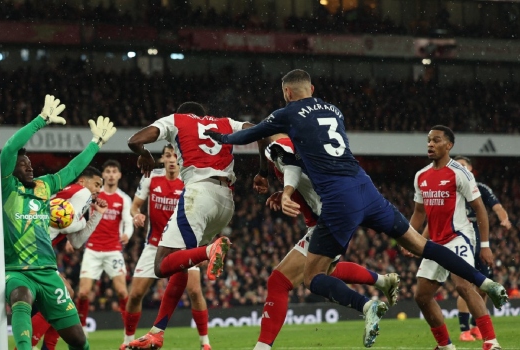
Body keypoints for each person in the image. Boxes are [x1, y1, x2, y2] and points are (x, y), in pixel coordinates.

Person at [203, 69, 508, 347]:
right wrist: (285, 189)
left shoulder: (286, 119)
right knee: (421, 245)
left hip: (338, 203)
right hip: (366, 188)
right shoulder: (334, 110)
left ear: (288, 93)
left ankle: (366, 304)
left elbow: (253, 135)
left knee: (313, 278)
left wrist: (222, 138)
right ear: (312, 88)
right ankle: (486, 282)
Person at [126, 101, 262, 350]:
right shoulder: (226, 123)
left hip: (199, 195)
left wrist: (145, 154)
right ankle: (157, 333)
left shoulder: (177, 121)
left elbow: (134, 141)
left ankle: (210, 251)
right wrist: (263, 171)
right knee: (181, 263)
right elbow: (261, 130)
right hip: (226, 202)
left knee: (161, 265)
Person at [253, 135, 400, 350]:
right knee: (324, 271)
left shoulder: (282, 143)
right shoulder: (299, 144)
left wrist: (287, 193)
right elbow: (308, 178)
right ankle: (382, 282)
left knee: (280, 281)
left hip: (328, 217)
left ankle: (367, 305)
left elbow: (293, 169)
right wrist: (288, 193)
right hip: (337, 212)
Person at [2, 95, 116, 350]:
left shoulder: (44, 186)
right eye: (24, 164)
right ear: (13, 169)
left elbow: (72, 170)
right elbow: (10, 147)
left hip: (48, 271)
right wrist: (40, 120)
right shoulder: (6, 187)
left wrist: (95, 143)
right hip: (16, 270)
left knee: (78, 341)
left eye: (31, 163)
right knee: (21, 297)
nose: (30, 167)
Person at [408, 126, 502, 350]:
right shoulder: (421, 176)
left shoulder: (460, 173)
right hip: (434, 244)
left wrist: (485, 245)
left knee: (463, 286)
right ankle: (445, 345)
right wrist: (409, 238)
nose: (430, 144)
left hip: (458, 237)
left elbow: (480, 209)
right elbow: (419, 212)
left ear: (448, 145)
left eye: (436, 140)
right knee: (421, 296)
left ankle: (491, 341)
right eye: (429, 140)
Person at [121, 144, 211, 350]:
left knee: (195, 292)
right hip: (154, 246)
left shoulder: (190, 180)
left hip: (183, 245)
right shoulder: (151, 178)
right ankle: (127, 341)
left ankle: (205, 343)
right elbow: (135, 205)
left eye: (175, 156)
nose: (171, 159)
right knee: (134, 295)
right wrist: (136, 214)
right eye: (167, 155)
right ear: (162, 159)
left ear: (180, 159)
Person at [27, 167, 108, 350]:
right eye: (96, 184)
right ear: (82, 182)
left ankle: (47, 346)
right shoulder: (81, 192)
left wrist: (96, 216)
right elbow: (67, 223)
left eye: (100, 187)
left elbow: (77, 241)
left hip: (39, 250)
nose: (98, 190)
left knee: (67, 295)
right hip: (36, 248)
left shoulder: (72, 198)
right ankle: (27, 345)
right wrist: (80, 221)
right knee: (64, 296)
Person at [452, 156, 512, 342]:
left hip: (480, 242)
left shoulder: (481, 188)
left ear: (470, 169)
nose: (459, 169)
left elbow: (497, 207)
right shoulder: (451, 189)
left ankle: (476, 327)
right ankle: (464, 330)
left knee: (483, 287)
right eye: (456, 166)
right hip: (460, 240)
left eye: (462, 165)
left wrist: (504, 218)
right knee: (465, 286)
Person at [76, 159, 132, 336]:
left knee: (123, 291)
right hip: (92, 249)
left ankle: (128, 332)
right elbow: (78, 214)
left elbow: (128, 222)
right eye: (107, 171)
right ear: (103, 175)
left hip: (113, 250)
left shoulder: (124, 198)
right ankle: (82, 329)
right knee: (83, 293)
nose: (111, 174)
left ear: (119, 175)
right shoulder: (93, 195)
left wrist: (127, 235)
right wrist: (73, 238)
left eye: (114, 171)